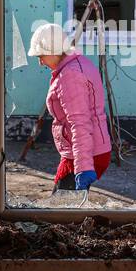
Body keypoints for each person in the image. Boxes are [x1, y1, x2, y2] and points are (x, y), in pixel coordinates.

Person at [27, 22, 112, 192]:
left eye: (40, 56)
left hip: (85, 155)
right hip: (87, 151)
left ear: (53, 51)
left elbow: (79, 122)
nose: (40, 62)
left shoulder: (70, 75)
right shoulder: (79, 63)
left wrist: (83, 167)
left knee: (62, 212)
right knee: (66, 210)